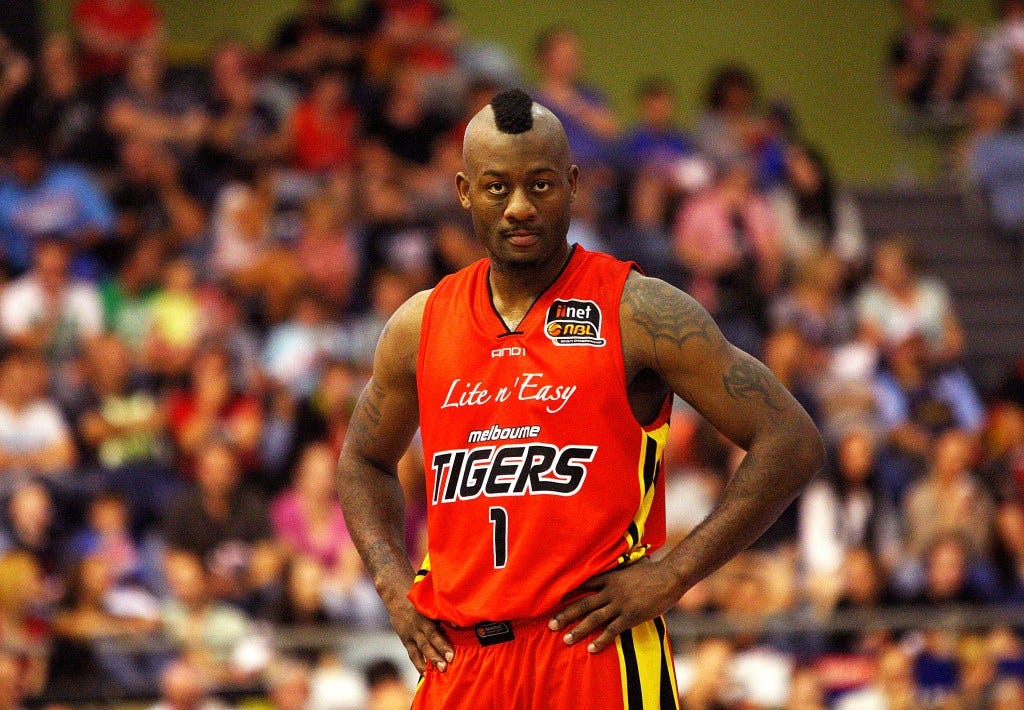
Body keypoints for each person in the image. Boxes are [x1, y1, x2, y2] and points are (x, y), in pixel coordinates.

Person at [338, 89, 823, 708]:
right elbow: (361, 461)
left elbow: (791, 440)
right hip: (461, 661)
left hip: (592, 652)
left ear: (571, 184)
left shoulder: (638, 310)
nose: (518, 207)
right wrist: (391, 582)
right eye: (496, 187)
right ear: (463, 191)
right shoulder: (419, 324)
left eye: (539, 185)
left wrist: (674, 575)